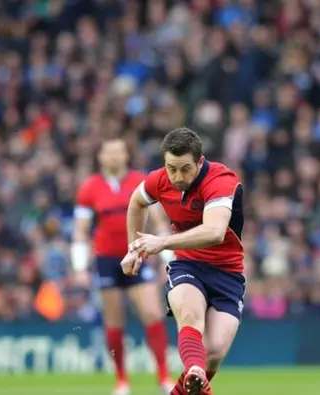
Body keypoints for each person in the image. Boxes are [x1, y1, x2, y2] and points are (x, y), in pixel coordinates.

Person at [122, 128, 246, 395]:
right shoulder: (159, 179)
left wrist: (162, 241)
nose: (177, 177)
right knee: (190, 317)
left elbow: (214, 232)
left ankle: (194, 373)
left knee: (212, 352)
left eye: (185, 169)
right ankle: (195, 370)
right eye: (171, 168)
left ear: (200, 162)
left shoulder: (220, 180)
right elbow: (136, 201)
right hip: (187, 266)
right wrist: (133, 248)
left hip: (228, 273)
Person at [72, 138, 175, 395]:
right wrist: (79, 267)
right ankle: (121, 381)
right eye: (110, 152)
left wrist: (168, 260)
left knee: (153, 313)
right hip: (106, 260)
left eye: (119, 151)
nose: (115, 157)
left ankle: (163, 376)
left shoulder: (142, 182)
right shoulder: (89, 187)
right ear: (101, 157)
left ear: (127, 155)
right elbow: (80, 230)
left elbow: (160, 222)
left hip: (138, 255)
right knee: (114, 322)